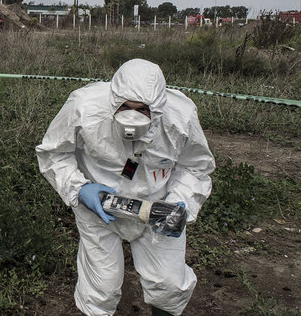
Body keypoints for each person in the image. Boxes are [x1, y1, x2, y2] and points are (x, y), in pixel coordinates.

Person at [36, 59, 215, 316]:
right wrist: (79, 188)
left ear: (158, 107)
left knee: (169, 283)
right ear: (113, 99)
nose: (131, 117)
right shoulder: (84, 107)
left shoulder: (180, 117)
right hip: (98, 207)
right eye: (124, 107)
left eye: (142, 110)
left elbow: (195, 166)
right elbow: (54, 153)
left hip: (157, 207)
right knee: (101, 288)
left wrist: (180, 202)